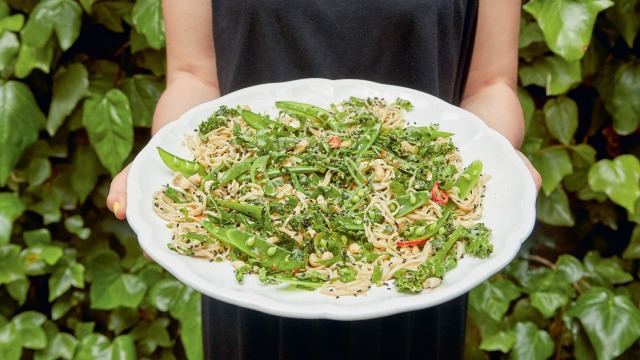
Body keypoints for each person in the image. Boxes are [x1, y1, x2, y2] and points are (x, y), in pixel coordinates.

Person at [108, 1, 542, 359]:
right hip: (241, 264)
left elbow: (491, 83)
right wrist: (161, 164)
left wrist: (493, 155)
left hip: (423, 269)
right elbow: (193, 76)